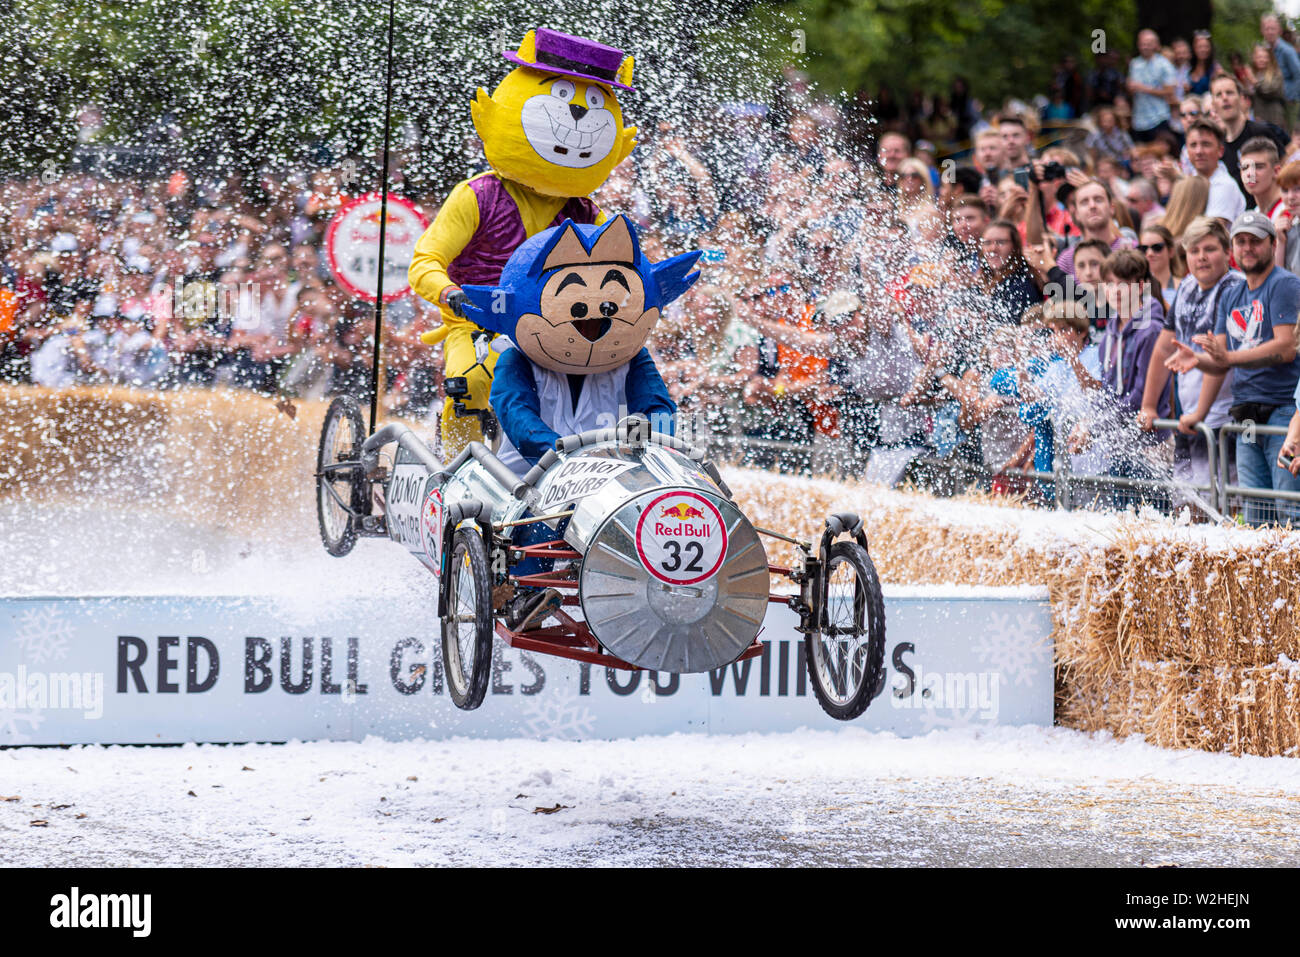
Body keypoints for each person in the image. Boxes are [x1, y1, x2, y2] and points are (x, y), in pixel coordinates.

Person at [408, 29, 636, 457]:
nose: (578, 117)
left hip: (559, 327)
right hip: (478, 322)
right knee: (470, 382)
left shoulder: (589, 212)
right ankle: (457, 469)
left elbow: (625, 268)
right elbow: (425, 260)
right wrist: (448, 292)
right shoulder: (475, 196)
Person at [465, 216, 694, 629]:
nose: (594, 321)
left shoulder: (632, 359)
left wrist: (656, 435)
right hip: (530, 478)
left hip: (610, 475)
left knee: (657, 510)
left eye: (609, 306)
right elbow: (514, 412)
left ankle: (666, 583)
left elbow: (657, 404)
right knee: (542, 516)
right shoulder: (517, 358)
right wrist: (553, 449)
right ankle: (526, 592)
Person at [1166, 210, 1300, 524]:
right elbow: (1221, 360)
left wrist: (1225, 359)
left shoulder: (1284, 284)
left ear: (1270, 244)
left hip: (1281, 409)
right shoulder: (1232, 294)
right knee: (1257, 515)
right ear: (1233, 249)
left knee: (1289, 509)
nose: (1248, 247)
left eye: (1255, 241)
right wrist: (1198, 360)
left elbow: (1285, 348)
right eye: (1241, 241)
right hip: (1245, 414)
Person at [1140, 217, 1242, 491]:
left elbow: (1221, 357)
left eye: (1209, 249)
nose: (1201, 258)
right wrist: (1149, 404)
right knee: (1185, 503)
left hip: (1223, 415)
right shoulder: (1186, 286)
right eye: (1194, 251)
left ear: (1227, 253)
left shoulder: (1234, 288)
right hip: (1190, 414)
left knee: (1220, 505)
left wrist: (1201, 412)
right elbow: (1164, 346)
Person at [1211, 73, 1290, 196]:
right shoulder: (1219, 146)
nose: (1224, 98)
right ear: (1213, 104)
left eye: (1229, 92)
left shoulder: (1260, 131)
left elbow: (1285, 165)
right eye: (1218, 95)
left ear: (1241, 98)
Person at [1055, 179, 1132, 277]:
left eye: (1098, 200)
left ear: (1111, 208)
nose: (1092, 206)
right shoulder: (1066, 261)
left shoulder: (1131, 249)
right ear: (1077, 214)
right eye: (1084, 202)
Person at [1183, 118, 1247, 226]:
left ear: (1220, 151)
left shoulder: (1224, 185)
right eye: (1193, 145)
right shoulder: (1188, 181)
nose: (1199, 151)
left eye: (1206, 144)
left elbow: (1211, 232)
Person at [1127, 30, 1177, 144]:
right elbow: (1131, 90)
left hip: (1158, 118)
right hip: (1138, 120)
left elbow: (1169, 91)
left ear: (1155, 45)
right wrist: (1129, 89)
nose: (1145, 47)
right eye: (1142, 44)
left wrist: (1143, 88)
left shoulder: (1164, 64)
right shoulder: (1134, 64)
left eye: (1148, 44)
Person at [1238, 136, 1286, 228]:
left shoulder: (1290, 209)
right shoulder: (1255, 213)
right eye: (1244, 168)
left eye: (1259, 167)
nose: (1250, 174)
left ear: (1276, 171)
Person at [1262, 13, 1300, 125]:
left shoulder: (1287, 51)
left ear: (1278, 30)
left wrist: (1291, 97)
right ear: (1262, 31)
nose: (1270, 32)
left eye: (1272, 29)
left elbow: (1298, 74)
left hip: (1289, 103)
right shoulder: (1265, 51)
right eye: (1267, 29)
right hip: (1272, 102)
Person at [1139, 223, 1184, 304]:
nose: (1149, 253)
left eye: (1157, 247)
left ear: (1171, 251)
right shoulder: (1136, 288)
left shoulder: (1184, 287)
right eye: (1144, 248)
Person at [1249, 44, 1289, 131]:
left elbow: (1268, 92)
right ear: (1254, 58)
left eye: (1265, 57)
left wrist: (1255, 83)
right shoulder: (1253, 74)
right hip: (1258, 119)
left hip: (1274, 118)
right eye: (1259, 57)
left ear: (1270, 59)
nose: (1262, 60)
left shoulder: (1276, 74)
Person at [1187, 31, 1222, 97]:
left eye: (1206, 46)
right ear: (1194, 48)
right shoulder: (1188, 67)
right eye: (1200, 47)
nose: (1203, 50)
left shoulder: (1216, 68)